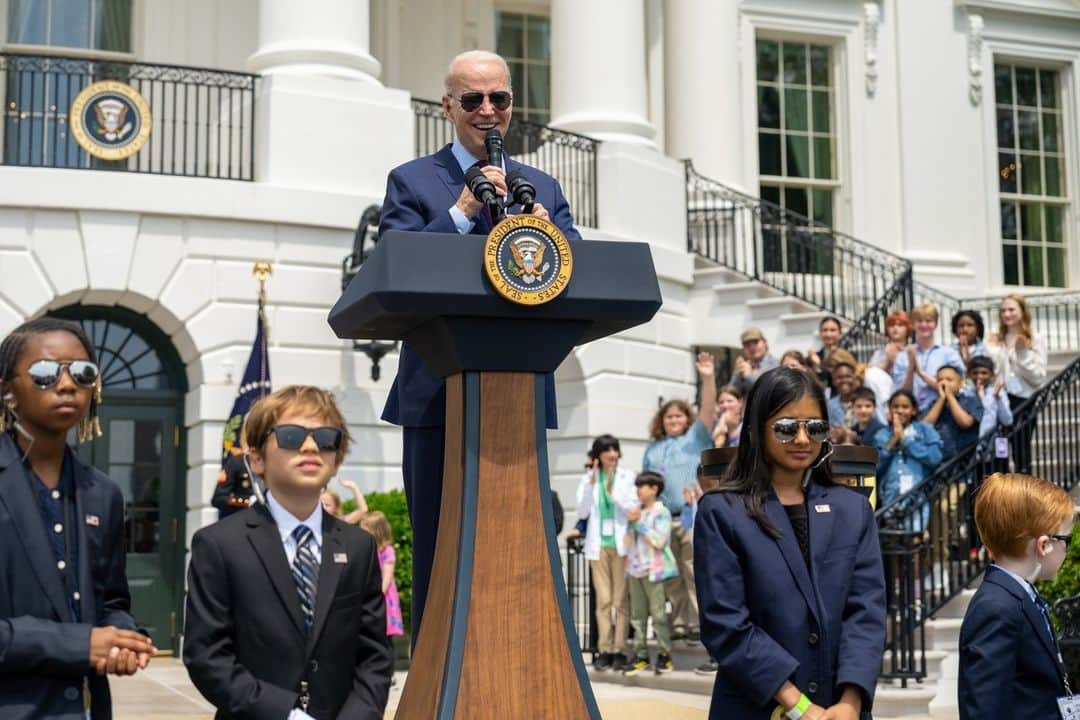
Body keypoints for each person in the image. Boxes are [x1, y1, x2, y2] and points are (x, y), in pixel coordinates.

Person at [377, 50, 582, 645]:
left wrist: (548, 232)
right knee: (444, 554)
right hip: (437, 396)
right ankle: (437, 683)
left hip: (518, 398)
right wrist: (463, 211)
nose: (488, 111)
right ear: (448, 107)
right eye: (473, 100)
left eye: (500, 99)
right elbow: (399, 269)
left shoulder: (541, 185)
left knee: (516, 560)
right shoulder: (413, 181)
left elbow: (576, 273)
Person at [184, 385, 392, 719]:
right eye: (292, 435)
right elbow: (207, 655)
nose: (310, 446)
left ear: (336, 459)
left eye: (326, 437)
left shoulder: (357, 545)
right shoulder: (219, 545)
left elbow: (375, 654)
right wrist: (286, 715)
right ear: (256, 459)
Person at [695, 367, 886, 719]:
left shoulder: (853, 510)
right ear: (755, 431)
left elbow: (866, 613)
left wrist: (850, 702)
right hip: (757, 707)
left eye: (815, 427)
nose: (802, 439)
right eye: (786, 428)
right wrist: (798, 705)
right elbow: (726, 624)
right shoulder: (721, 511)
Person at [0, 318, 156, 718]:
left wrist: (123, 639)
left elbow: (112, 601)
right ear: (7, 392)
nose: (67, 384)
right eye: (45, 374)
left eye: (83, 373)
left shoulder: (102, 493)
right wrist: (80, 644)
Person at [958, 472, 1075, 720]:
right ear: (1044, 545)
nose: (1068, 547)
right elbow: (984, 710)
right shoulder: (996, 608)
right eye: (1067, 539)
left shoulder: (1021, 596)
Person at [642, 352, 717, 642]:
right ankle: (681, 622)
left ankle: (701, 623)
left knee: (693, 570)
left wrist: (707, 377)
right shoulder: (653, 448)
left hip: (692, 514)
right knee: (670, 575)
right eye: (668, 416)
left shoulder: (695, 438)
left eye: (678, 415)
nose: (673, 420)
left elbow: (709, 409)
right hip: (662, 517)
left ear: (687, 418)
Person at [574, 434, 637, 672]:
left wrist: (613, 490)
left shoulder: (627, 477)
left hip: (620, 545)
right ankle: (605, 648)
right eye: (607, 451)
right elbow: (581, 512)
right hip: (598, 545)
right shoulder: (588, 479)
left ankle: (620, 649)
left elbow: (632, 508)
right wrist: (592, 484)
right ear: (598, 455)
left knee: (620, 600)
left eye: (615, 450)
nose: (612, 455)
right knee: (603, 600)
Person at [622, 471, 678, 676]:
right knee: (637, 616)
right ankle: (641, 655)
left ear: (654, 489)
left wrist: (638, 524)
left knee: (659, 615)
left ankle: (665, 655)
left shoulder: (661, 512)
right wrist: (630, 525)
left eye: (642, 486)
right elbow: (627, 543)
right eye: (637, 486)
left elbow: (660, 541)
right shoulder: (638, 512)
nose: (638, 491)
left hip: (654, 570)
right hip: (635, 570)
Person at [986, 294, 1047, 474]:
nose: (1007, 314)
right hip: (1000, 402)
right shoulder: (996, 338)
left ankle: (1024, 496)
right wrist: (992, 350)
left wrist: (1022, 353)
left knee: (1021, 452)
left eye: (1011, 309)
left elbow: (1038, 377)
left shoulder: (1035, 337)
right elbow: (991, 371)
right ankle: (1003, 495)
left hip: (1023, 401)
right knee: (1000, 450)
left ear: (1022, 311)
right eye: (1003, 310)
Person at [874, 389, 943, 508]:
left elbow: (935, 458)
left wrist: (905, 440)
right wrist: (894, 440)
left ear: (914, 410)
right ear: (890, 410)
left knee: (916, 526)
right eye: (895, 407)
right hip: (890, 494)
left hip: (918, 494)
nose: (900, 411)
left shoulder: (925, 430)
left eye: (905, 407)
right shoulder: (882, 434)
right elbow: (877, 467)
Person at [891, 304, 965, 412]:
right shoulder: (903, 356)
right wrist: (911, 369)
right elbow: (903, 393)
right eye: (919, 321)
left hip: (943, 411)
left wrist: (921, 374)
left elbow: (955, 388)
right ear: (913, 324)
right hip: (913, 413)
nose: (924, 325)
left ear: (935, 324)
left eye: (929, 321)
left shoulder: (949, 354)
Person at [360, 511, 405, 674]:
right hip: (371, 595)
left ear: (376, 531)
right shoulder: (366, 550)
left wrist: (374, 595)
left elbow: (386, 579)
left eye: (365, 529)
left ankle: (388, 671)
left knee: (386, 638)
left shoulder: (387, 552)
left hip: (383, 600)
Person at [922, 365, 983, 457]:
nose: (944, 383)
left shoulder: (971, 401)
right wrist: (941, 399)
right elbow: (924, 427)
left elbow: (965, 423)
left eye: (949, 380)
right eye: (940, 380)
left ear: (960, 384)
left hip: (962, 459)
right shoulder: (933, 405)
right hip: (939, 459)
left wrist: (950, 396)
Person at [967, 356, 1012, 440]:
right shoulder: (966, 393)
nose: (979, 376)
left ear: (992, 375)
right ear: (969, 374)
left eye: (984, 373)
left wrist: (997, 399)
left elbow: (1007, 421)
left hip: (992, 440)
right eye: (975, 373)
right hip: (971, 440)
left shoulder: (997, 393)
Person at [213, 441, 258, 519]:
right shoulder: (237, 463)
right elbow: (219, 498)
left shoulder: (272, 463)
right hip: (242, 518)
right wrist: (247, 501)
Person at [730, 327, 779, 396]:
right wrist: (738, 376)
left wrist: (748, 376)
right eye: (747, 344)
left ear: (765, 343)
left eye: (756, 342)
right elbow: (731, 394)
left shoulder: (776, 364)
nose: (752, 347)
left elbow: (766, 389)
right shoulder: (742, 367)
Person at [807, 316, 843, 387]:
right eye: (825, 330)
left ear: (840, 333)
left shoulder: (847, 356)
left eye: (832, 330)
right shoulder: (813, 358)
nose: (828, 334)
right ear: (820, 333)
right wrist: (816, 366)